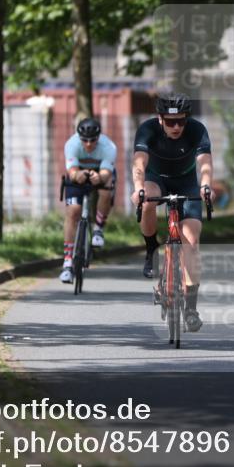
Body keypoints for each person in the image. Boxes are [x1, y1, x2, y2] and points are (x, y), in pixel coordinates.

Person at [130, 92, 213, 332]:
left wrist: (206, 185)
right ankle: (150, 249)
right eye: (170, 122)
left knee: (192, 240)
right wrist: (138, 189)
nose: (176, 127)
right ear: (160, 119)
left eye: (181, 121)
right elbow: (139, 163)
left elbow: (205, 163)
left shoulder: (197, 130)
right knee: (147, 199)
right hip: (157, 180)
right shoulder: (147, 130)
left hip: (186, 182)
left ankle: (191, 308)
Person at [59, 118, 117, 284]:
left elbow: (107, 172)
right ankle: (68, 262)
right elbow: (72, 172)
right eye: (85, 140)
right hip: (78, 175)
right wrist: (80, 175)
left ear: (99, 137)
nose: (89, 144)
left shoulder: (109, 147)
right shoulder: (72, 144)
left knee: (106, 191)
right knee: (73, 210)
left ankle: (98, 228)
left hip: (101, 174)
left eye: (93, 140)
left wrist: (99, 177)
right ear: (79, 137)